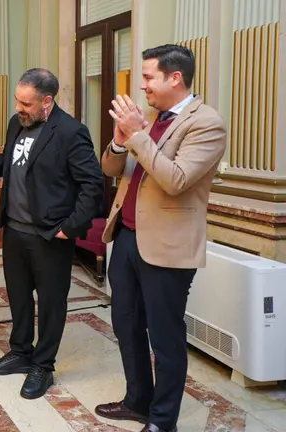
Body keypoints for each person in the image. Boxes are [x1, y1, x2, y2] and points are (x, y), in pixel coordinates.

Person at [94, 45, 227, 432]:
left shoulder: (207, 124)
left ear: (175, 78)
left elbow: (176, 180)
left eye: (149, 76)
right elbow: (111, 168)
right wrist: (120, 141)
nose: (143, 84)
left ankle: (163, 419)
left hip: (168, 246)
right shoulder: (149, 117)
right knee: (126, 324)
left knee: (165, 337)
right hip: (128, 237)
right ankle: (137, 401)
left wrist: (136, 135)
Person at [0, 68, 103, 399]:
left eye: (25, 102)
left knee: (51, 302)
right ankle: (20, 352)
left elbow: (93, 185)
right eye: (17, 100)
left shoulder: (71, 132)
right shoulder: (18, 124)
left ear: (47, 101)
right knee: (18, 296)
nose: (19, 107)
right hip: (13, 230)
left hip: (49, 236)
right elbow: (10, 159)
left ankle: (43, 364)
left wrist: (70, 228)